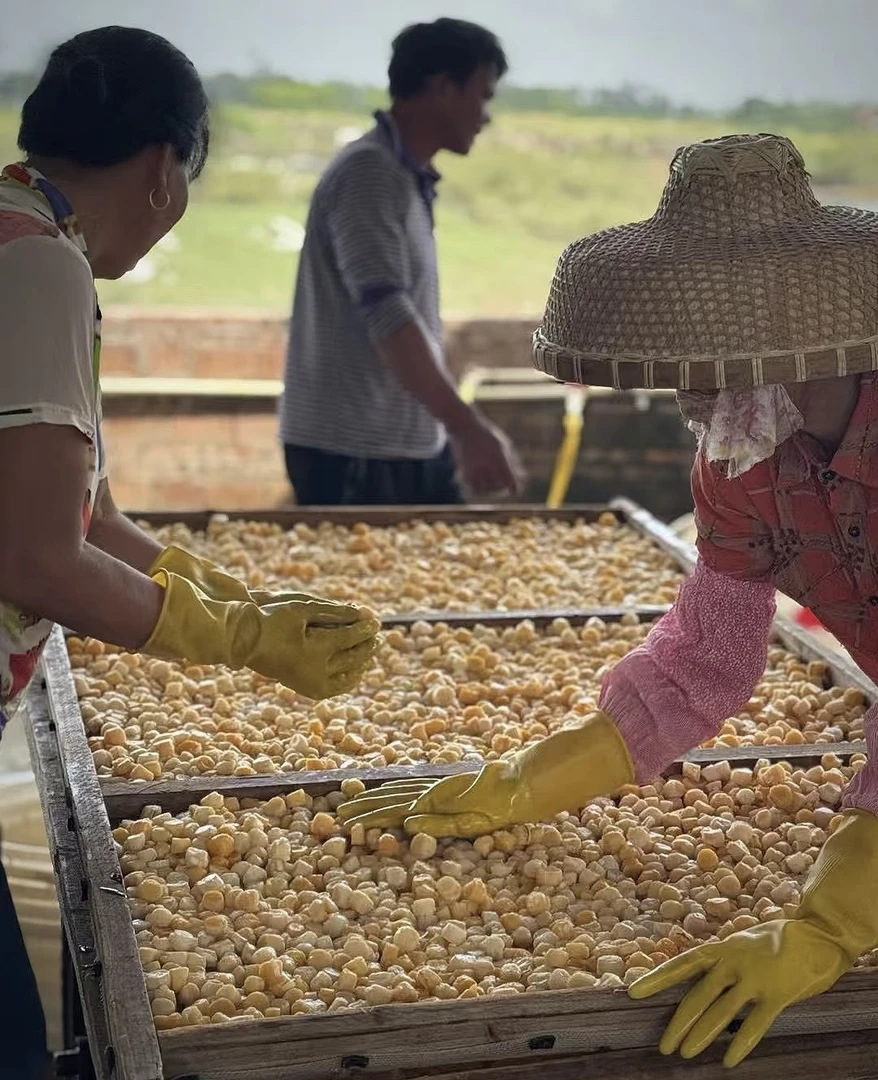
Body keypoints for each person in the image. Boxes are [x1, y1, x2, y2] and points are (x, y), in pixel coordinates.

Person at [338, 134, 878, 1067]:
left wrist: (831, 924)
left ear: (784, 336)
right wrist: (528, 779)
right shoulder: (743, 460)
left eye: (703, 353)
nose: (684, 387)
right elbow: (703, 662)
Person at [0, 28, 380, 1077]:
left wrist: (229, 592)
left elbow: (88, 519)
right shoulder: (38, 272)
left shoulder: (22, 230)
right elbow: (37, 561)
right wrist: (243, 640)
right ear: (167, 170)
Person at [280, 18, 523, 506]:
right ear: (440, 87)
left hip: (396, 442)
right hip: (354, 449)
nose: (486, 115)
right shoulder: (371, 172)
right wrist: (466, 427)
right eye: (483, 94)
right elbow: (390, 315)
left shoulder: (401, 176)